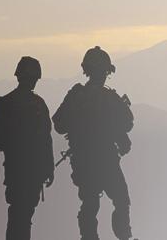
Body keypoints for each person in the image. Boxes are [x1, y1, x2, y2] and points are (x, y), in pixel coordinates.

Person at [52, 46, 135, 240]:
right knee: (121, 200)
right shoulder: (110, 98)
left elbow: (59, 124)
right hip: (106, 160)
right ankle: (123, 236)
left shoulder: (76, 96)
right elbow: (127, 124)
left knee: (90, 204)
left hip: (84, 161)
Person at [0, 56, 54, 240]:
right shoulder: (38, 105)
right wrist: (48, 167)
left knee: (20, 213)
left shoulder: (6, 103)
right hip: (28, 169)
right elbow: (46, 139)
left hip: (18, 169)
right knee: (22, 213)